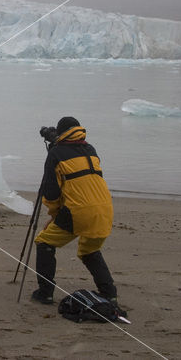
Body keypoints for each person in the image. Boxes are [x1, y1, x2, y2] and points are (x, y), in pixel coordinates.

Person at [31, 116, 118, 305]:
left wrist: (54, 216)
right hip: (104, 209)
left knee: (44, 242)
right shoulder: (90, 149)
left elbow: (51, 192)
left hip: (78, 212)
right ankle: (109, 293)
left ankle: (45, 292)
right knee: (90, 250)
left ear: (61, 134)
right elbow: (78, 184)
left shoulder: (56, 153)